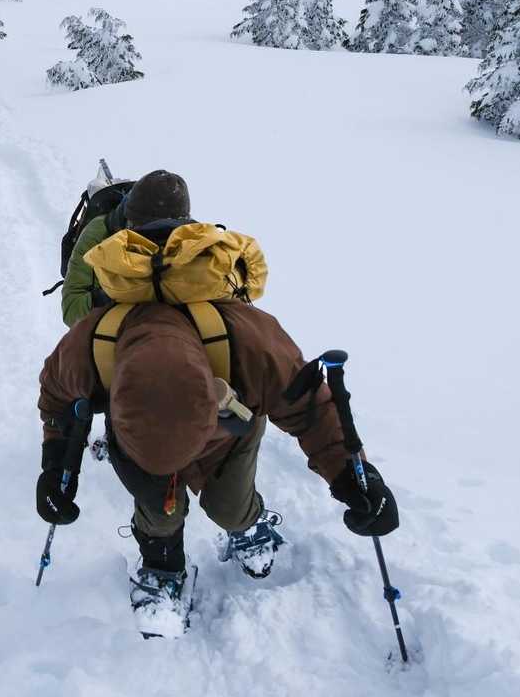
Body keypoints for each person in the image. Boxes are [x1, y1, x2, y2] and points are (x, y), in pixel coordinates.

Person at [34, 172, 399, 635]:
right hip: (143, 440)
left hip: (228, 430)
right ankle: (162, 563)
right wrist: (55, 465)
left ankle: (247, 522)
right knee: (159, 511)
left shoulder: (241, 334)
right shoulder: (98, 340)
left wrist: (353, 477)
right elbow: (56, 395)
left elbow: (309, 404)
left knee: (229, 505)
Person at [59, 169, 191, 327]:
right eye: (147, 229)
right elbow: (72, 309)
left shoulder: (190, 238)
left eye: (165, 231)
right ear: (130, 219)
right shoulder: (98, 233)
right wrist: (120, 292)